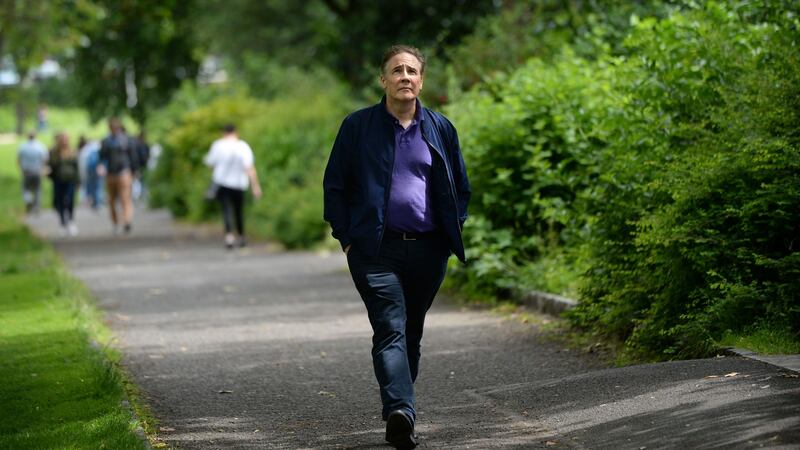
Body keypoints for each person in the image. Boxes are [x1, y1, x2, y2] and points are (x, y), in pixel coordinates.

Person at [323, 44, 470, 449]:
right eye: (396, 70)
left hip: (427, 250)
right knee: (390, 327)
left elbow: (459, 187)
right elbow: (335, 185)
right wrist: (348, 239)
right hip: (374, 250)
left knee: (412, 331)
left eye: (412, 71)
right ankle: (401, 410)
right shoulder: (357, 127)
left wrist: (450, 230)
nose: (405, 76)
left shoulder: (441, 128)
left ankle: (400, 410)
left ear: (421, 80)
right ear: (383, 79)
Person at [203, 124, 262, 249]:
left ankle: (229, 237)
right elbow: (249, 167)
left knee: (226, 210)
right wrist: (255, 186)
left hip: (222, 182)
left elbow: (210, 164)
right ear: (236, 132)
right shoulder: (243, 146)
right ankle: (241, 236)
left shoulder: (218, 145)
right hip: (240, 183)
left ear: (223, 133)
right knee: (239, 210)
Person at [98, 117, 139, 234]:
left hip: (124, 172)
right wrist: (101, 167)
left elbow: (133, 157)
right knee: (112, 201)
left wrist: (134, 171)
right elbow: (101, 157)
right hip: (111, 173)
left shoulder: (126, 140)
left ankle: (127, 221)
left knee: (125, 198)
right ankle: (115, 222)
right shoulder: (106, 141)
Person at [48, 132, 80, 236]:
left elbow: (76, 167)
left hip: (70, 180)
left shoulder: (72, 151)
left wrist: (78, 181)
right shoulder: (54, 152)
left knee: (69, 200)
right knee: (59, 201)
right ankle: (62, 223)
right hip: (58, 180)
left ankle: (71, 221)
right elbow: (50, 166)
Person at [17, 130, 49, 214]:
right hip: (37, 171)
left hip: (27, 171)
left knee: (26, 189)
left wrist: (21, 169)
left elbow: (19, 159)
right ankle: (36, 207)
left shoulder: (22, 146)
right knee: (37, 189)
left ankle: (28, 200)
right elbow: (45, 159)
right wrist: (44, 169)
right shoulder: (40, 146)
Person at [77, 135, 103, 210]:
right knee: (98, 186)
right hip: (97, 170)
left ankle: (94, 202)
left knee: (92, 186)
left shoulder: (86, 149)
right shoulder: (97, 148)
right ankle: (97, 202)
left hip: (89, 170)